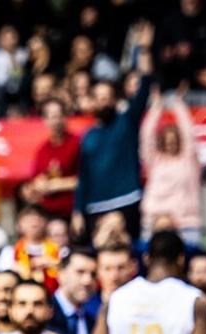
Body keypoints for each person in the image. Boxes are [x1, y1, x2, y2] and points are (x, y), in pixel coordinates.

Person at [71, 23, 153, 240]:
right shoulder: (88, 137)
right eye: (99, 98)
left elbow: (145, 86)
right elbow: (84, 177)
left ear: (115, 99)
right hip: (95, 207)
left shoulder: (126, 122)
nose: (103, 102)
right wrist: (78, 211)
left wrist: (144, 50)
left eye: (107, 97)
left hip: (128, 200)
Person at [139, 85, 201, 244]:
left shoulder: (188, 159)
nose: (171, 144)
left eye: (174, 141)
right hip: (155, 222)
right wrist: (156, 107)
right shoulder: (155, 161)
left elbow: (189, 135)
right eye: (167, 142)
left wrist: (178, 105)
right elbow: (147, 138)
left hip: (186, 224)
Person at [48, 248, 97, 334]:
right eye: (80, 272)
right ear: (61, 274)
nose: (87, 280)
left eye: (93, 274)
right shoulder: (43, 314)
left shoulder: (93, 322)